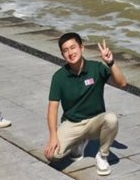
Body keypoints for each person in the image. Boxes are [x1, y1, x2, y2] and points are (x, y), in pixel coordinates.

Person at [44, 33, 128, 176]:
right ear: (62, 54)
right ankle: (78, 143)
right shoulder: (59, 77)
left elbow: (122, 83)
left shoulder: (96, 68)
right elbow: (52, 108)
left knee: (111, 118)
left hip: (95, 122)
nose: (70, 53)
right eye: (66, 50)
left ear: (82, 48)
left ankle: (102, 155)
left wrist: (111, 63)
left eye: (73, 47)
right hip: (72, 123)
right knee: (51, 156)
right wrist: (53, 136)